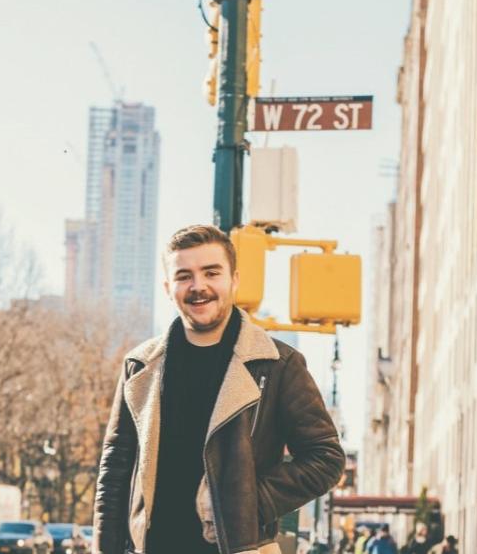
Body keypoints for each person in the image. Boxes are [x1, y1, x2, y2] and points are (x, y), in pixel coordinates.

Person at [93, 224, 346, 554]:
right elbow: (114, 471)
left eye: (211, 273)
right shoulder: (140, 366)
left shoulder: (278, 364)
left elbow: (326, 458)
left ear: (234, 280)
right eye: (184, 276)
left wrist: (249, 504)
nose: (198, 286)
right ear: (168, 287)